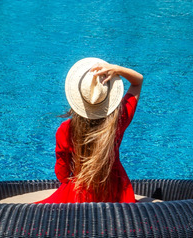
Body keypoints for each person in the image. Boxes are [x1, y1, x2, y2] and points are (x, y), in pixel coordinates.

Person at [37, 58, 143, 204]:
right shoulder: (119, 121)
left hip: (79, 196)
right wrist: (116, 69)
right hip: (116, 193)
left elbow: (61, 174)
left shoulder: (65, 130)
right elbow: (138, 81)